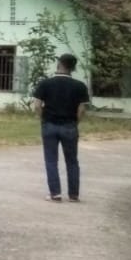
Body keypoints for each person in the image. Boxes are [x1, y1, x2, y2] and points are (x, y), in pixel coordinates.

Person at [31, 53, 90, 202]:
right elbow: (82, 110)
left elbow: (37, 105)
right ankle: (74, 194)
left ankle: (55, 193)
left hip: (49, 124)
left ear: (59, 64)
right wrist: (75, 122)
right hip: (69, 125)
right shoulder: (80, 86)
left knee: (51, 160)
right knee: (72, 161)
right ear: (73, 67)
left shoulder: (45, 83)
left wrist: (43, 118)